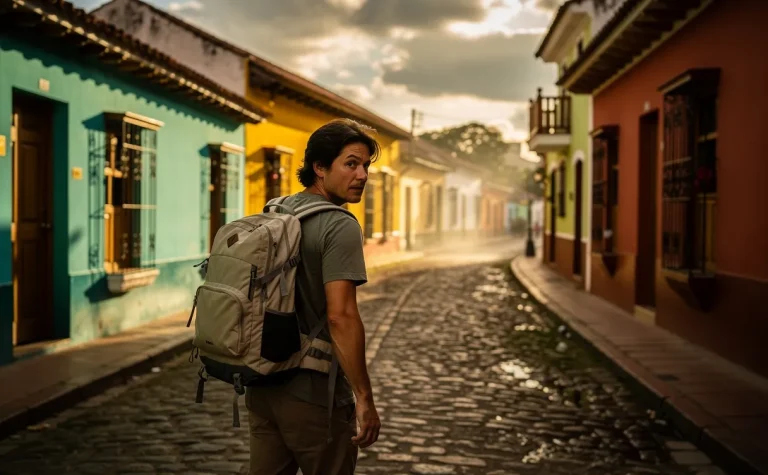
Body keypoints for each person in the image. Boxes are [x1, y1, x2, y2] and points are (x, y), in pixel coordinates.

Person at [246, 118, 381, 475]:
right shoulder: (339, 224)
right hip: (312, 393)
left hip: (262, 384)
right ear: (319, 167)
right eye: (351, 163)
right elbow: (341, 317)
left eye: (365, 165)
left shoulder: (278, 209)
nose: (362, 174)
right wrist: (364, 398)